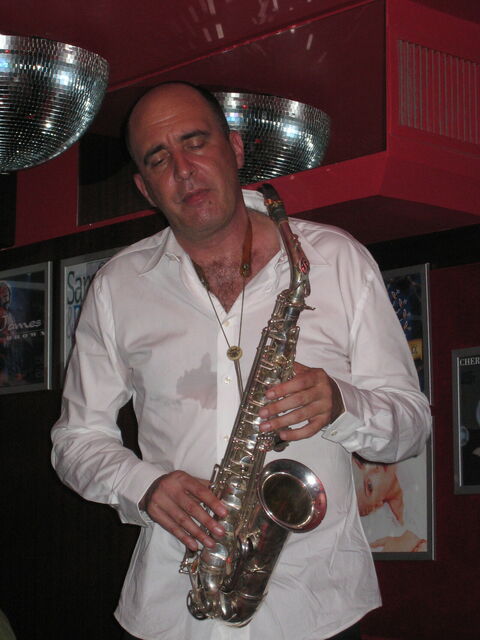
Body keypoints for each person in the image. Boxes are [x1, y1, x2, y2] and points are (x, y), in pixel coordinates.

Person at [51, 82, 432, 640]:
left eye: (195, 142)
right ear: (144, 187)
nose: (184, 170)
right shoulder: (117, 286)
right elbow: (75, 440)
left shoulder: (336, 260)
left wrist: (341, 405)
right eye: (158, 158)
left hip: (317, 608)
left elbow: (412, 426)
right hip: (174, 608)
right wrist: (144, 486)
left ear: (233, 148)